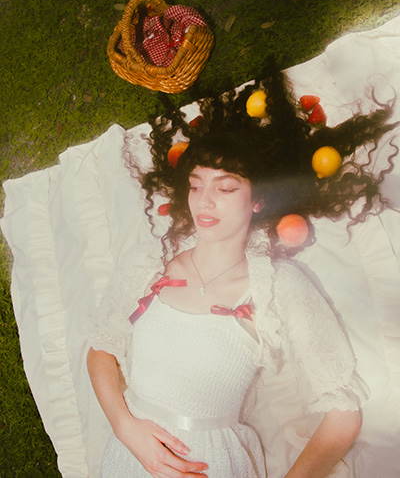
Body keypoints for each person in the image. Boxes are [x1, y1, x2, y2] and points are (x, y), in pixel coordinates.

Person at [86, 62, 398, 477]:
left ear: (258, 201)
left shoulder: (277, 288)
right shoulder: (151, 262)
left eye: (226, 187)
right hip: (127, 456)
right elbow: (100, 350)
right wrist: (125, 427)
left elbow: (344, 415)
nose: (205, 201)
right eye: (196, 185)